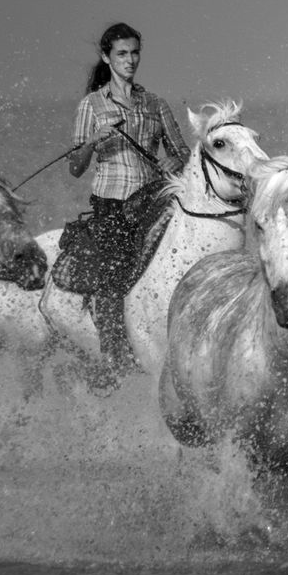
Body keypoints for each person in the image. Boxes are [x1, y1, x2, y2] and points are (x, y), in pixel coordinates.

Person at [67, 22, 190, 386]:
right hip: (112, 204)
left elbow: (182, 151)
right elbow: (75, 167)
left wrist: (175, 162)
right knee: (113, 280)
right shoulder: (91, 106)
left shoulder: (155, 104)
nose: (130, 60)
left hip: (153, 202)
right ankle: (115, 355)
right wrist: (92, 140)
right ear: (107, 57)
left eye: (135, 52)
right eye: (122, 53)